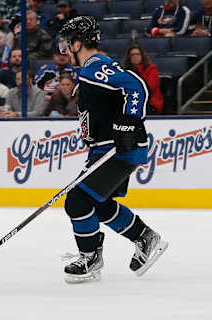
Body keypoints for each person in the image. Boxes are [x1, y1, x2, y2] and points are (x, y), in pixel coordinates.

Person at [57, 16, 168, 283]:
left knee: (78, 201)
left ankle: (90, 258)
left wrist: (128, 123)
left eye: (66, 44)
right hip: (109, 150)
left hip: (118, 149)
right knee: (98, 202)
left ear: (76, 43)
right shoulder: (91, 70)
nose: (63, 50)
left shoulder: (94, 66)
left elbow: (136, 86)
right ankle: (145, 238)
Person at [123, 44, 164, 114]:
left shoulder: (151, 69)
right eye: (132, 55)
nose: (135, 56)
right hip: (131, 101)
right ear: (129, 58)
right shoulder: (125, 71)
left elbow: (150, 88)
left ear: (142, 56)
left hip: (150, 102)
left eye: (137, 54)